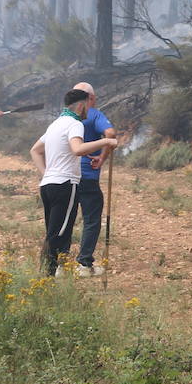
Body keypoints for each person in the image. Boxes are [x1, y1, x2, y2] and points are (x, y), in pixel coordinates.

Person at [30, 89, 119, 277]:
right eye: (87, 105)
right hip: (65, 184)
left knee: (54, 231)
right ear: (81, 105)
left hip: (48, 185)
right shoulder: (74, 123)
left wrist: (47, 173)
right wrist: (106, 142)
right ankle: (47, 278)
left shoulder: (55, 124)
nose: (89, 110)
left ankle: (49, 275)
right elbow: (77, 149)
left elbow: (35, 150)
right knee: (58, 233)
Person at [70, 81, 116, 278]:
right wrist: (102, 157)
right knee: (91, 220)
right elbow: (111, 134)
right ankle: (84, 264)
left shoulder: (66, 118)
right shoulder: (94, 114)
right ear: (91, 98)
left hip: (66, 177)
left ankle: (56, 265)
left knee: (64, 220)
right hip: (87, 177)